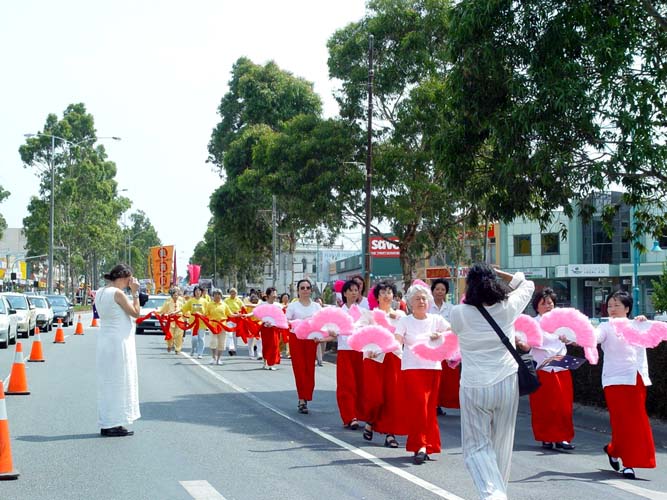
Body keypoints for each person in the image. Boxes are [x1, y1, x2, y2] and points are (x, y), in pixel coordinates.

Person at [449, 263, 534, 500]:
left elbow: (455, 331)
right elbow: (527, 284)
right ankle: (499, 492)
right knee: (502, 444)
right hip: (507, 383)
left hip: (474, 386)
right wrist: (501, 273)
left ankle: (493, 495)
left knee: (476, 447)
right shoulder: (508, 307)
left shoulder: (459, 313)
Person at [599, 290, 655, 480]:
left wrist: (644, 322)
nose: (612, 309)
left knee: (636, 421)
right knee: (621, 422)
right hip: (614, 380)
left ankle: (618, 453)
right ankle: (625, 460)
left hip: (636, 378)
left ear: (627, 308)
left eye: (617, 305)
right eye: (610, 306)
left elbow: (656, 333)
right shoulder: (605, 327)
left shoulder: (638, 324)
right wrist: (575, 337)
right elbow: (594, 337)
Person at [395, 282, 450, 465]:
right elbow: (396, 340)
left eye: (424, 298)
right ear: (410, 302)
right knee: (418, 406)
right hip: (412, 368)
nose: (421, 301)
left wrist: (440, 336)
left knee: (428, 408)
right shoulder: (405, 321)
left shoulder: (436, 320)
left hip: (433, 368)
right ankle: (419, 445)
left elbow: (453, 332)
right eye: (417, 298)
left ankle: (427, 444)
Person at [94, 264, 142, 437]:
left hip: (105, 341)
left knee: (109, 383)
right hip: (119, 343)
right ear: (123, 278)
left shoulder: (100, 292)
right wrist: (135, 293)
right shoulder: (117, 293)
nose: (130, 283)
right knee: (120, 382)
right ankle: (112, 423)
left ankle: (110, 421)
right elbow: (136, 312)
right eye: (129, 280)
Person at [528, 287, 575, 450]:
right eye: (543, 303)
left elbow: (574, 339)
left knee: (563, 405)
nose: (548, 306)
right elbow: (527, 344)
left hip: (561, 368)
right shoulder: (532, 324)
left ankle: (563, 437)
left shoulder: (562, 322)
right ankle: (545, 437)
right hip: (542, 369)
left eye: (550, 303)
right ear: (536, 306)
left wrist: (568, 339)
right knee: (543, 405)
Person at [362, 280, 407, 448]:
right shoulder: (369, 315)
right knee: (375, 397)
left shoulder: (400, 316)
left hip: (394, 358)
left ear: (394, 296)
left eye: (389, 292)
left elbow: (406, 336)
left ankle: (390, 434)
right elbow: (360, 333)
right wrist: (370, 349)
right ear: (377, 297)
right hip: (374, 359)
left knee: (392, 397)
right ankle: (370, 421)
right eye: (382, 292)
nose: (386, 295)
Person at [285, 279, 322, 414]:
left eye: (307, 288)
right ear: (298, 291)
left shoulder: (316, 307)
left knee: (309, 368)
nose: (305, 290)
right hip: (296, 339)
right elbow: (286, 321)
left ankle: (307, 394)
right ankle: (302, 399)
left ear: (311, 290)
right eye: (302, 288)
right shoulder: (293, 306)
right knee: (299, 368)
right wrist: (297, 323)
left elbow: (322, 322)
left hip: (311, 339)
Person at [334, 280, 365, 429]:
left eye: (356, 290)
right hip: (345, 351)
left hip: (361, 351)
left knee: (361, 384)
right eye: (350, 290)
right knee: (346, 384)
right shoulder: (338, 312)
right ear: (344, 293)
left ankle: (360, 414)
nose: (353, 293)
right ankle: (349, 416)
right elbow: (331, 331)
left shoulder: (363, 312)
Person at [429, 279, 460, 415]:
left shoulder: (451, 308)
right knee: (433, 376)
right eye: (437, 289)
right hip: (431, 346)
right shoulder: (427, 307)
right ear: (432, 291)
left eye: (443, 289)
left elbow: (454, 327)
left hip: (446, 347)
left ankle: (440, 403)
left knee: (446, 378)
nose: (440, 292)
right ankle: (432, 403)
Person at [258, 287, 283, 370]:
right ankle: (265, 362)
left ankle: (271, 363)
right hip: (265, 328)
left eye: (275, 293)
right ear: (268, 295)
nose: (275, 295)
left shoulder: (278, 306)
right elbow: (258, 313)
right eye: (273, 293)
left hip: (275, 327)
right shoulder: (263, 304)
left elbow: (281, 316)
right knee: (266, 345)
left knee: (274, 345)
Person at [205, 289, 232, 365]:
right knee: (213, 342)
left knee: (221, 343)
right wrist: (198, 315)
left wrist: (239, 315)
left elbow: (230, 314)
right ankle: (213, 357)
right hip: (213, 326)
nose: (217, 296)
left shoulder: (224, 305)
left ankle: (218, 359)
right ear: (213, 296)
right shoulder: (210, 304)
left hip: (222, 326)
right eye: (215, 294)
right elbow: (205, 314)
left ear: (221, 295)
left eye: (219, 294)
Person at [181, 286, 208, 359]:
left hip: (202, 322)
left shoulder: (205, 301)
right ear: (194, 292)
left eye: (199, 291)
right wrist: (176, 313)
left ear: (201, 292)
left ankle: (200, 353)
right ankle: (193, 349)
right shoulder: (191, 301)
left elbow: (208, 311)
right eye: (196, 291)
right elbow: (183, 309)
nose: (197, 292)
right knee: (194, 339)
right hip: (193, 322)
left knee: (201, 338)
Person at [158, 287, 185, 354]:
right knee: (170, 335)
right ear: (172, 295)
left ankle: (177, 349)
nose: (176, 296)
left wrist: (186, 316)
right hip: (171, 320)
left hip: (180, 320)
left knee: (179, 335)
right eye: (174, 295)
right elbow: (163, 310)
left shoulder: (181, 301)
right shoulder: (168, 302)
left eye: (177, 295)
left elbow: (185, 309)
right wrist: (157, 313)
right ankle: (169, 345)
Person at [224, 288, 245, 356]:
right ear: (230, 293)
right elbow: (223, 308)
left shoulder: (239, 300)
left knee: (234, 335)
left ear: (236, 293)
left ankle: (234, 349)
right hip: (229, 318)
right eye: (232, 293)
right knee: (230, 333)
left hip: (236, 319)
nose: (233, 294)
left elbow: (243, 307)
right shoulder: (226, 300)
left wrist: (240, 312)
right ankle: (231, 348)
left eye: (234, 293)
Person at [279, 293, 291, 358]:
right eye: (284, 297)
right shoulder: (279, 305)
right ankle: (279, 352)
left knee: (289, 339)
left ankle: (289, 353)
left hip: (288, 324)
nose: (285, 298)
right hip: (281, 324)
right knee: (281, 338)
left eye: (287, 297)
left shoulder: (290, 305)